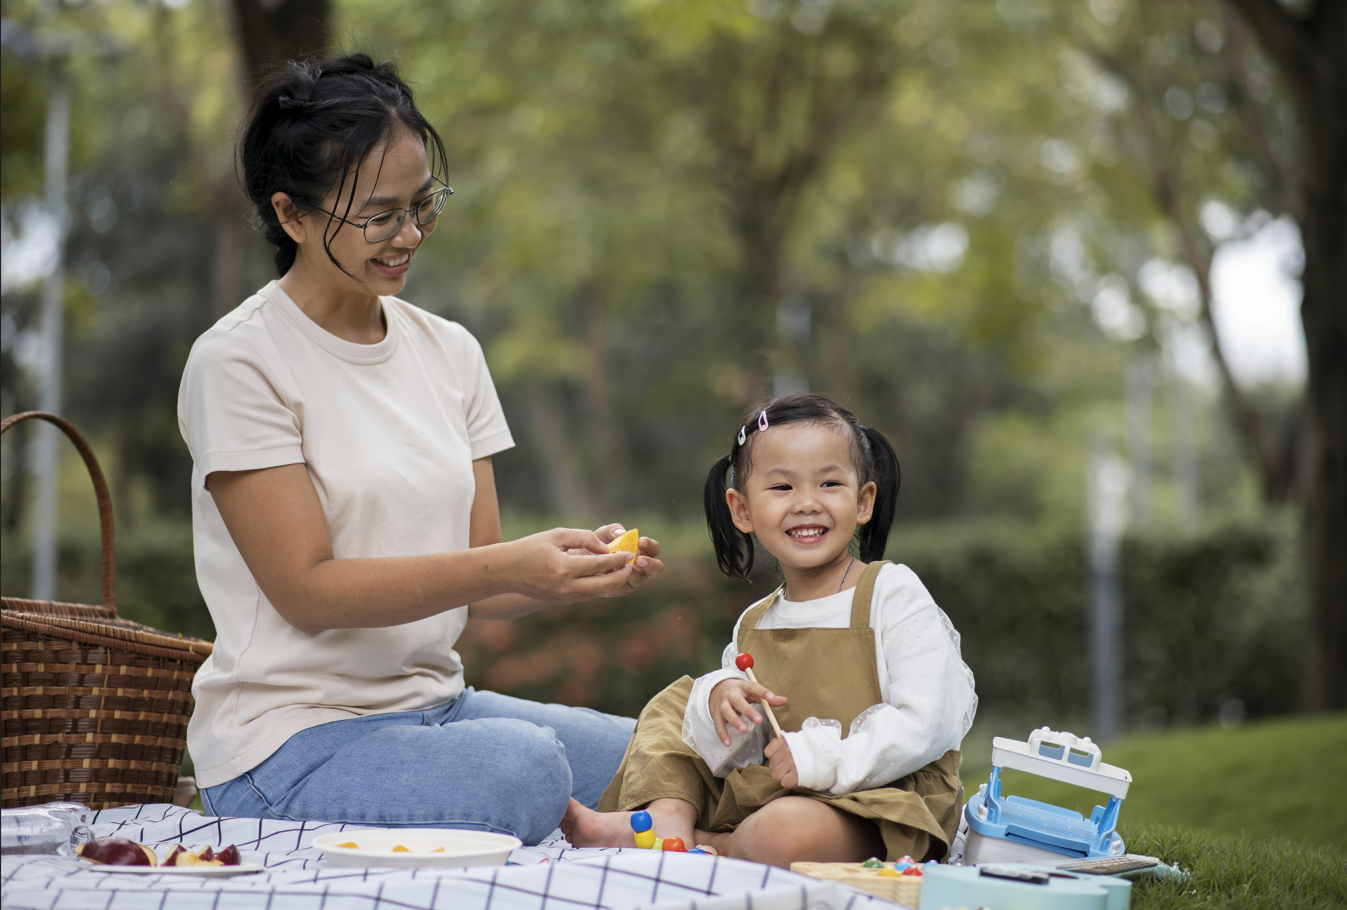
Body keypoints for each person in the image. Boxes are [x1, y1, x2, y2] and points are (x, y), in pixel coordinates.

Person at [177, 54, 663, 844]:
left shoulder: (449, 351)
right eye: (379, 215)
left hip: (438, 710)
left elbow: (479, 578)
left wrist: (574, 573)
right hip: (290, 746)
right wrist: (508, 563)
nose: (408, 236)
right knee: (526, 768)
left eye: (421, 205)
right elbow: (307, 590)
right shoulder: (239, 360)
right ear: (291, 215)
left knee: (669, 754)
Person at [562, 394, 977, 867]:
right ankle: (667, 820)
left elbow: (927, 721)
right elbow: (741, 755)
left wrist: (820, 760)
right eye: (782, 487)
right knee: (681, 703)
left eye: (829, 483)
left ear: (863, 501)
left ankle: (714, 844)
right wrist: (725, 699)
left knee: (783, 831)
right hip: (786, 789)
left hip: (883, 800)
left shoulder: (890, 592)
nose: (806, 504)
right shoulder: (755, 621)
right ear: (741, 510)